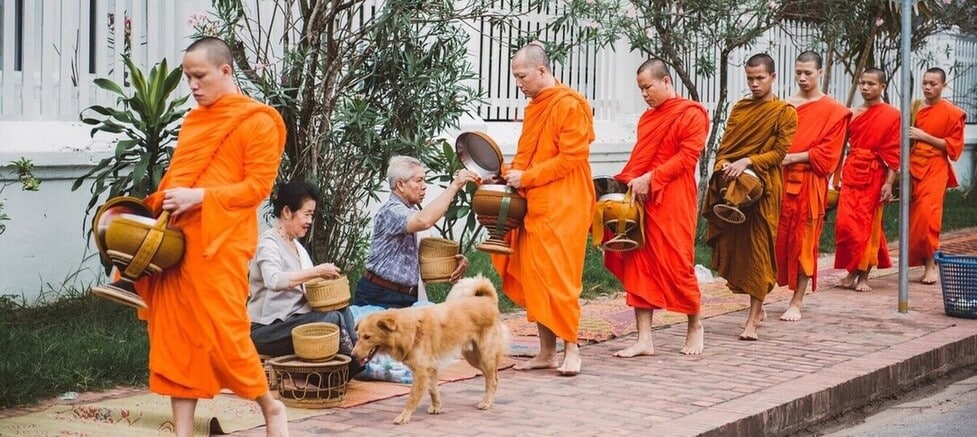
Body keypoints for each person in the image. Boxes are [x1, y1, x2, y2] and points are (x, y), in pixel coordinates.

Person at [133, 37, 289, 436]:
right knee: (177, 339)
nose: (193, 86)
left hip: (221, 242)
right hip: (177, 244)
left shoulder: (258, 121)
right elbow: (181, 176)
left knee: (227, 333)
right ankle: (184, 431)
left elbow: (256, 189)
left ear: (225, 71)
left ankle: (271, 409)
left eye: (199, 76)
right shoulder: (194, 121)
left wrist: (199, 197)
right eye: (188, 78)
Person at [492, 42, 596, 376]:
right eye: (515, 77)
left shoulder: (569, 104)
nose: (518, 83)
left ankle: (572, 349)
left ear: (542, 70)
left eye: (522, 76)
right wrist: (508, 174)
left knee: (560, 276)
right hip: (534, 201)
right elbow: (527, 153)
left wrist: (529, 176)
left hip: (565, 202)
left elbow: (571, 158)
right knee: (536, 275)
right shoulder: (535, 106)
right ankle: (546, 351)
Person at [603, 58, 707, 357]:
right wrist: (627, 181)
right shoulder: (648, 119)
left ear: (666, 82)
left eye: (648, 87)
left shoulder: (692, 114)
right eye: (640, 89)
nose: (645, 94)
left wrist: (652, 177)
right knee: (639, 264)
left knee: (678, 263)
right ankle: (644, 339)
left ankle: (695, 326)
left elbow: (687, 158)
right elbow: (641, 158)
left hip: (674, 198)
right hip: (643, 199)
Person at [703, 53, 797, 341]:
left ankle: (752, 321)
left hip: (764, 188)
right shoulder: (741, 108)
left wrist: (747, 161)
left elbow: (779, 154)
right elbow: (726, 146)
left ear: (773, 77)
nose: (755, 84)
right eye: (750, 79)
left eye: (760, 78)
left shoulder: (784, 112)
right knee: (736, 247)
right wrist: (723, 166)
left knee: (758, 250)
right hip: (733, 186)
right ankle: (756, 307)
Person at [248, 180, 359, 375]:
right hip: (267, 331)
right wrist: (316, 271)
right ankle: (351, 364)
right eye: (306, 214)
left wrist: (330, 286)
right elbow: (273, 280)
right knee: (330, 319)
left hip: (295, 323)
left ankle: (357, 356)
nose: (310, 221)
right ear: (287, 212)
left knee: (340, 307)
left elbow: (308, 288)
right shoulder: (268, 243)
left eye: (312, 215)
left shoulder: (297, 247)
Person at [775, 51, 849, 321]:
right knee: (773, 239)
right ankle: (761, 300)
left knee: (805, 241)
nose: (803, 78)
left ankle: (797, 301)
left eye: (808, 72)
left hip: (810, 183)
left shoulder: (834, 111)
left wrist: (792, 157)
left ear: (820, 71)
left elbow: (829, 155)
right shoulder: (784, 106)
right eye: (798, 73)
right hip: (780, 182)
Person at [351, 156, 476, 309]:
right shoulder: (391, 211)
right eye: (419, 181)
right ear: (400, 185)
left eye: (424, 180)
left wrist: (452, 261)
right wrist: (455, 185)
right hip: (380, 296)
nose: (424, 186)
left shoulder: (412, 211)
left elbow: (423, 252)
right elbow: (424, 221)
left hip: (408, 297)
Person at [834, 68, 901, 292]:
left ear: (882, 87)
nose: (865, 87)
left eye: (871, 84)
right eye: (862, 83)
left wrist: (889, 183)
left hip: (875, 175)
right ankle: (852, 268)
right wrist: (836, 175)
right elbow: (841, 146)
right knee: (846, 225)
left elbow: (894, 153)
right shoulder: (852, 113)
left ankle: (863, 275)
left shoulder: (892, 115)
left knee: (869, 225)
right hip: (852, 171)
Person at [908, 67, 966, 284]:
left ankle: (931, 264)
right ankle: (923, 262)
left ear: (944, 85)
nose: (928, 87)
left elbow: (954, 148)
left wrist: (925, 136)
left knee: (929, 217)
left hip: (935, 168)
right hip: (914, 166)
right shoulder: (914, 107)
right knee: (915, 219)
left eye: (933, 84)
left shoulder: (952, 113)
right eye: (925, 83)